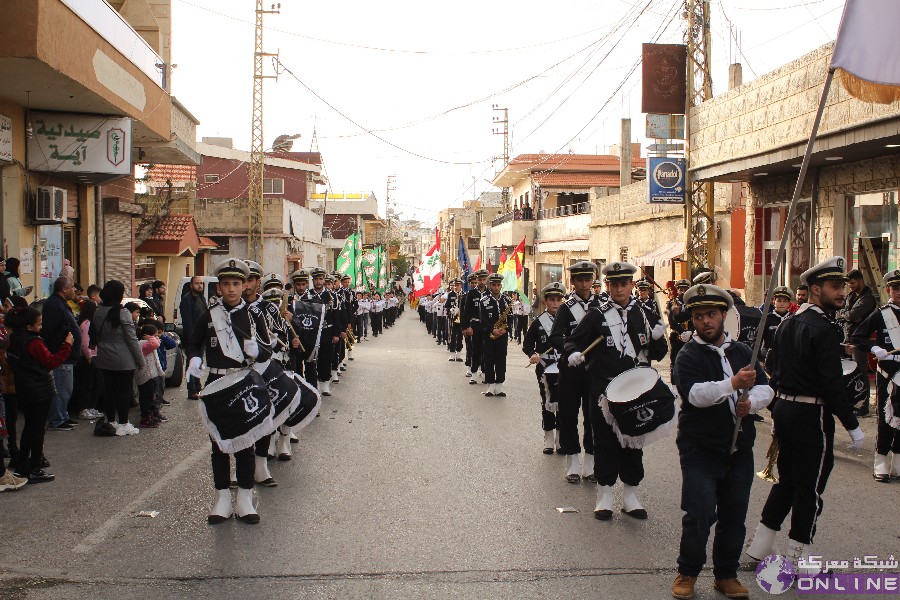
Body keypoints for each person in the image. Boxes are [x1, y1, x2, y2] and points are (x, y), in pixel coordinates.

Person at [746, 257, 864, 569]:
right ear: (814, 289)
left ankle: (759, 546)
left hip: (785, 409)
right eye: (834, 287)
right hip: (812, 414)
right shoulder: (825, 328)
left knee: (786, 481)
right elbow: (831, 383)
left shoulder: (788, 323)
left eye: (842, 286)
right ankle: (796, 556)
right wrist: (851, 423)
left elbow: (772, 367)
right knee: (809, 487)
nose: (841, 292)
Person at [670, 284, 774, 600]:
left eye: (711, 314)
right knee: (699, 512)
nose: (706, 321)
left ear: (723, 315)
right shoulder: (688, 355)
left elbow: (766, 389)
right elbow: (695, 395)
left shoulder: (743, 352)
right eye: (699, 316)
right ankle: (687, 572)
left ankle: (725, 575)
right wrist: (733, 384)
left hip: (739, 447)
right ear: (692, 321)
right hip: (700, 447)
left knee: (734, 514)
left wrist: (751, 403)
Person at [564, 262, 668, 520]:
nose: (619, 288)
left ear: (632, 285)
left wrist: (657, 339)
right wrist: (573, 354)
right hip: (604, 388)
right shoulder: (597, 314)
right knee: (605, 441)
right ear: (607, 286)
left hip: (636, 388)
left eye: (624, 283)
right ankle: (605, 494)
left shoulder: (644, 314)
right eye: (614, 284)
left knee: (634, 442)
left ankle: (631, 495)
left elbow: (659, 353)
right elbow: (572, 340)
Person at [185, 257, 272, 525]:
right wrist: (194, 359)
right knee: (219, 446)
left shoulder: (254, 315)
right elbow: (193, 342)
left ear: (245, 284)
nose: (231, 289)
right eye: (226, 284)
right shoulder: (208, 315)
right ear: (219, 287)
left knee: (245, 444)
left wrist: (259, 351)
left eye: (236, 283)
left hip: (243, 382)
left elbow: (269, 349)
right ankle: (222, 498)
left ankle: (245, 498)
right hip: (216, 384)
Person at [6, 306, 73, 483]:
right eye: (39, 324)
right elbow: (51, 361)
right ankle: (34, 467)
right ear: (29, 326)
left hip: (25, 388)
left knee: (29, 428)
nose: (41, 327)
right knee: (36, 430)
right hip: (38, 389)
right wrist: (67, 345)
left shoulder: (13, 339)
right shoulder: (33, 342)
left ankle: (23, 463)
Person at [549, 261, 601, 483]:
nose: (584, 284)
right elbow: (555, 336)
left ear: (593, 280)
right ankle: (572, 461)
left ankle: (589, 463)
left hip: (594, 369)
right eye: (579, 279)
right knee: (569, 415)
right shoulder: (565, 307)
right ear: (573, 281)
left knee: (593, 417)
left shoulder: (602, 305)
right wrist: (568, 351)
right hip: (571, 368)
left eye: (587, 279)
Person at [849, 268, 900, 482]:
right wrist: (873, 348)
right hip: (888, 372)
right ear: (888, 289)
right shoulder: (882, 313)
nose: (899, 292)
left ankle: (897, 462)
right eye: (895, 288)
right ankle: (880, 461)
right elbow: (857, 336)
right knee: (886, 417)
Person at [92, 280, 145, 436]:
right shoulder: (124, 313)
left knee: (109, 391)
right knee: (124, 391)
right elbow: (132, 339)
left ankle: (111, 421)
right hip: (123, 358)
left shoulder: (98, 312)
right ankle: (123, 422)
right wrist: (140, 360)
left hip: (104, 357)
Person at [523, 282, 565, 454]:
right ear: (545, 301)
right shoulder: (538, 322)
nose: (555, 304)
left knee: (564, 403)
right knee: (547, 402)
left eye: (558, 300)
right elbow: (527, 344)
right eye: (552, 300)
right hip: (545, 366)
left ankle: (561, 440)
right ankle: (548, 439)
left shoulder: (568, 322)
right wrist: (532, 354)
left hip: (564, 366)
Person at [41, 277, 81, 431]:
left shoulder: (61, 303)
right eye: (72, 287)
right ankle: (57, 418)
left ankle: (62, 415)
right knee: (62, 387)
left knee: (66, 388)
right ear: (64, 289)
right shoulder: (54, 305)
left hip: (67, 355)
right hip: (60, 354)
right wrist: (63, 344)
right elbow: (49, 330)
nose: (74, 290)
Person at [301, 268, 343, 397]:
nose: (318, 282)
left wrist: (336, 333)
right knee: (312, 358)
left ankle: (325, 382)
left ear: (324, 280)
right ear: (312, 280)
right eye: (316, 279)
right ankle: (314, 384)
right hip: (312, 333)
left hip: (327, 331)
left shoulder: (332, 296)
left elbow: (337, 316)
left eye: (320, 279)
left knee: (326, 357)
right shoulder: (307, 296)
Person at [841, 269, 877, 416]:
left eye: (853, 282)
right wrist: (847, 315)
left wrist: (847, 315)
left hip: (861, 340)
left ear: (860, 280)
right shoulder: (851, 296)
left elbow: (852, 314)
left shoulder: (868, 297)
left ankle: (863, 405)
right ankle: (851, 402)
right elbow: (843, 312)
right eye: (849, 283)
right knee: (849, 373)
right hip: (849, 337)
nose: (850, 286)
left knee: (861, 373)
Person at [479, 274, 511, 397]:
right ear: (489, 286)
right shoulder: (484, 301)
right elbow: (483, 320)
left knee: (501, 360)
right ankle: (490, 386)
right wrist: (492, 330)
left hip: (502, 336)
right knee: (489, 360)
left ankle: (499, 386)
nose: (496, 288)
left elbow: (511, 318)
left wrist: (505, 329)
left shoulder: (507, 300)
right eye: (493, 285)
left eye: (498, 285)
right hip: (489, 336)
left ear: (501, 285)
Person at [74, 300, 104, 420]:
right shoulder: (87, 324)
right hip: (88, 357)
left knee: (96, 382)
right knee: (87, 383)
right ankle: (84, 408)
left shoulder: (87, 323)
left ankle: (91, 407)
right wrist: (89, 356)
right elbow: (85, 343)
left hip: (92, 356)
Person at [180, 276, 207, 400]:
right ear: (191, 285)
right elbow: (188, 322)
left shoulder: (201, 297)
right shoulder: (187, 300)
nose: (199, 285)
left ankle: (197, 386)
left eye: (201, 283)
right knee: (192, 363)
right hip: (192, 338)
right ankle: (191, 390)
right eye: (197, 283)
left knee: (199, 362)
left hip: (201, 337)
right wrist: (192, 339)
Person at [462, 270, 489, 384]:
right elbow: (466, 312)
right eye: (479, 279)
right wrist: (466, 327)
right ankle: (473, 373)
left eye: (484, 279)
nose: (482, 282)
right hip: (475, 324)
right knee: (475, 350)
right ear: (476, 280)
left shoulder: (490, 293)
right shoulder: (471, 294)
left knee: (486, 350)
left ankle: (483, 372)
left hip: (487, 326)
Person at [135, 323, 163, 429]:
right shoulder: (143, 344)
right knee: (146, 398)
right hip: (145, 376)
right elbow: (156, 344)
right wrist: (151, 337)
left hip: (150, 375)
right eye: (155, 335)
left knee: (151, 396)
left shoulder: (147, 342)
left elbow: (157, 342)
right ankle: (145, 418)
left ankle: (150, 415)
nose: (157, 338)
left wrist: (152, 337)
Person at [666, 280, 692, 375]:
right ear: (677, 290)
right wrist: (681, 332)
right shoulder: (672, 303)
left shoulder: (692, 304)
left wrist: (691, 332)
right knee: (675, 359)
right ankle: (674, 382)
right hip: (677, 336)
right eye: (681, 289)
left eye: (685, 289)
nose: (683, 292)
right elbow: (672, 321)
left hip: (691, 335)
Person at [760, 286, 793, 362]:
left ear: (789, 303)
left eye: (785, 301)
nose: (781, 304)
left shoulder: (794, 318)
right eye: (779, 301)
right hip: (771, 357)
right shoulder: (767, 318)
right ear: (774, 301)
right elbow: (758, 340)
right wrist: (759, 360)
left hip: (789, 357)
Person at [446, 279, 464, 362]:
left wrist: (460, 311)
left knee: (460, 336)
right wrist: (450, 310)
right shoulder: (451, 294)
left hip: (462, 319)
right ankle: (452, 353)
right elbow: (447, 305)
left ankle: (459, 354)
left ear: (461, 286)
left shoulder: (464, 295)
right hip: (453, 318)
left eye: (458, 285)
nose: (456, 287)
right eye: (455, 285)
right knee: (452, 336)